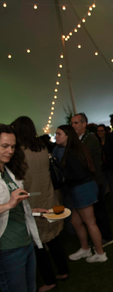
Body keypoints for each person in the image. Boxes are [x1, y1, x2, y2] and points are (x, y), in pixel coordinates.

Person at [11, 117, 69, 292]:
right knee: (54, 238)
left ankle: (50, 280)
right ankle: (63, 271)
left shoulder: (18, 152)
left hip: (31, 201)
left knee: (39, 243)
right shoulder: (42, 147)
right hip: (49, 196)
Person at [0, 124, 48, 292]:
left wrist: (34, 212)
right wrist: (8, 204)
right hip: (7, 248)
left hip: (25, 241)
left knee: (31, 287)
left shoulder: (8, 171)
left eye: (13, 146)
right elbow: (9, 205)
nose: (10, 151)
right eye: (4, 146)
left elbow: (15, 208)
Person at [55, 125, 107, 263]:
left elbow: (78, 174)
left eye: (59, 134)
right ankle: (85, 249)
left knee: (90, 222)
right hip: (81, 188)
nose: (56, 136)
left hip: (82, 188)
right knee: (75, 221)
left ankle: (100, 253)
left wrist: (63, 178)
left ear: (68, 136)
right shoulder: (73, 149)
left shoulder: (72, 152)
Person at [71, 113, 113, 247]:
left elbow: (83, 159)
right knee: (91, 213)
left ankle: (106, 236)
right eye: (72, 123)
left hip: (95, 180)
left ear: (84, 124)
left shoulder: (90, 139)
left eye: (76, 123)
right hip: (87, 181)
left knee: (99, 211)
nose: (73, 126)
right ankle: (97, 237)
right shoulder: (78, 140)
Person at [96, 124, 113, 212]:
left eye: (102, 130)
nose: (100, 132)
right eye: (98, 131)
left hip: (109, 167)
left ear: (105, 131)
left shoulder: (109, 141)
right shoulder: (96, 142)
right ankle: (102, 204)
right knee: (101, 187)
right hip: (101, 168)